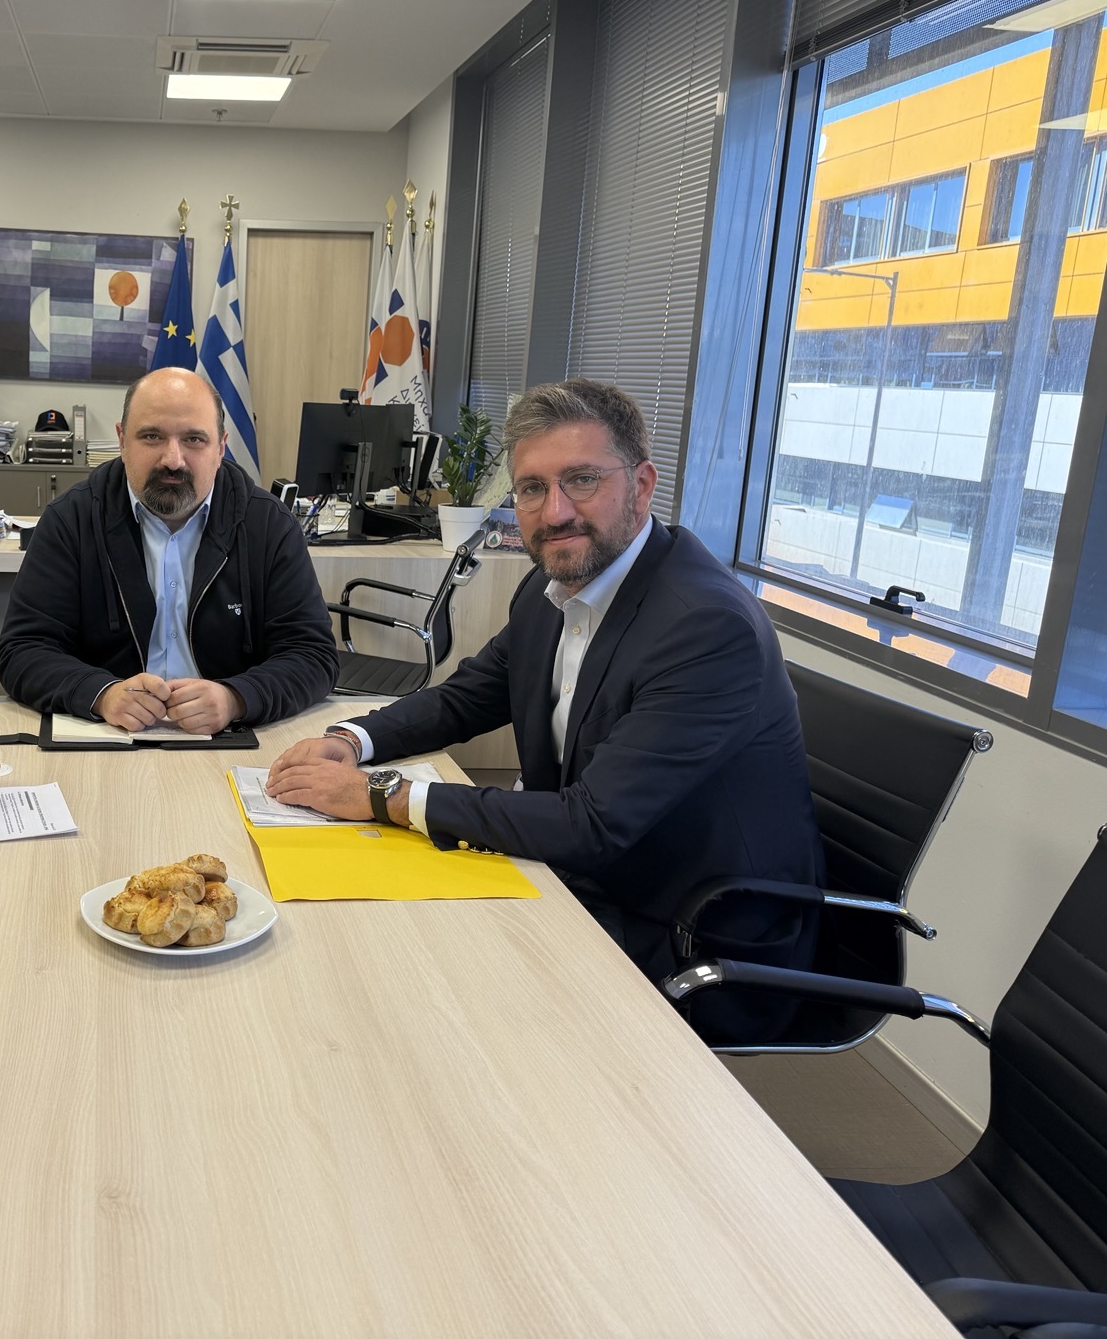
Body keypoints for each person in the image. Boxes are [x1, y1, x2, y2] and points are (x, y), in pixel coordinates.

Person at [266, 379, 822, 1042]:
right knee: (364, 939)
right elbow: (470, 696)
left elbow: (591, 824)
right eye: (531, 488)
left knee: (420, 988)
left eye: (581, 480)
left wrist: (382, 795)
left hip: (690, 933)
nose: (554, 511)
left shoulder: (704, 627)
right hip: (589, 876)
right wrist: (352, 740)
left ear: (642, 486)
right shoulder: (554, 584)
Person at [0, 367, 338, 733]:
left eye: (194, 439)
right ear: (122, 440)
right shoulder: (71, 519)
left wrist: (236, 698)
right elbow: (23, 650)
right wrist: (101, 694)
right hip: (107, 735)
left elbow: (313, 655)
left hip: (228, 737)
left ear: (221, 447)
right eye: (152, 437)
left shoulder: (267, 524)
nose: (173, 460)